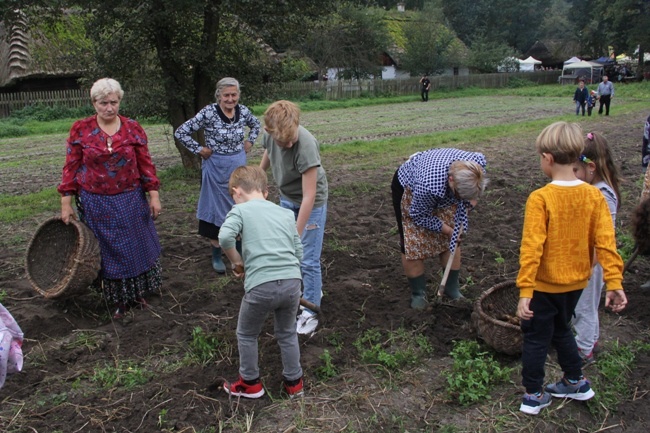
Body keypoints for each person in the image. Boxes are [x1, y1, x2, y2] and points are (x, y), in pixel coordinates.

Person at [516, 121, 627, 415]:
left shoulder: (540, 198)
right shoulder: (593, 196)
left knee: (536, 337)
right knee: (562, 330)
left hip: (544, 285)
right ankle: (576, 381)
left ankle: (533, 395)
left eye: (540, 156)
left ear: (548, 159)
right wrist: (614, 283)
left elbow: (531, 248)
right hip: (577, 283)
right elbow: (606, 243)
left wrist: (525, 289)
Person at [58, 78, 163, 319]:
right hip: (96, 201)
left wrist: (154, 195)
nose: (109, 108)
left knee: (135, 245)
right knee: (108, 249)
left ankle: (138, 293)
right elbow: (71, 166)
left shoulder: (132, 128)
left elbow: (146, 163)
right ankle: (118, 300)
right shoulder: (80, 129)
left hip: (129, 197)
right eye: (103, 103)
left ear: (120, 101)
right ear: (94, 103)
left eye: (114, 102)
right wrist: (66, 201)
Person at [219, 166, 304, 399]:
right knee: (287, 333)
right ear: (266, 192)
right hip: (292, 282)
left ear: (236, 192)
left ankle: (250, 383)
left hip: (261, 286)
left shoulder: (240, 211)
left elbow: (225, 237)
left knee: (246, 334)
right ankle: (294, 384)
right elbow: (299, 252)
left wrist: (238, 263)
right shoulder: (285, 213)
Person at [175, 77, 261, 274]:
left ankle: (238, 253)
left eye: (234, 95)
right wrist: (199, 149)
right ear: (219, 96)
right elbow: (181, 132)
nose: (230, 99)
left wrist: (250, 142)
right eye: (226, 95)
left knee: (239, 204)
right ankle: (217, 253)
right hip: (215, 166)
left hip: (238, 165)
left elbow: (256, 125)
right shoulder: (209, 113)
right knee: (215, 207)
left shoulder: (243, 111)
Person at [260, 100, 328, 335]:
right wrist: (260, 179)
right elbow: (269, 152)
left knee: (307, 257)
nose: (288, 144)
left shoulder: (305, 144)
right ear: (269, 131)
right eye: (283, 142)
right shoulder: (270, 135)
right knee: (292, 256)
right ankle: (311, 290)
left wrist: (296, 234)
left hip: (312, 201)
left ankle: (311, 310)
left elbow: (309, 196)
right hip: (287, 196)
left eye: (291, 140)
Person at [391, 148, 488, 308]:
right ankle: (418, 293)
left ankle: (451, 288)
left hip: (443, 185)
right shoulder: (428, 186)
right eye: (459, 196)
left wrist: (469, 204)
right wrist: (449, 230)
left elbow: (474, 195)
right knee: (413, 241)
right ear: (451, 180)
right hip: (409, 189)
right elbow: (419, 215)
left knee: (451, 239)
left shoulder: (477, 165)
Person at [571, 132, 622, 366]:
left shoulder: (603, 194)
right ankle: (589, 340)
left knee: (585, 307)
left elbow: (604, 239)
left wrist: (585, 266)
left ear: (590, 167)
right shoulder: (594, 189)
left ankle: (584, 351)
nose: (574, 176)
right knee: (583, 306)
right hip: (583, 261)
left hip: (591, 265)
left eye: (576, 171)